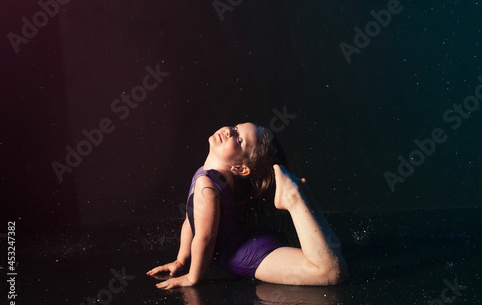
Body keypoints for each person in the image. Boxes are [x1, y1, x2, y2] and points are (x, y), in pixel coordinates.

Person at [147, 123, 347, 289]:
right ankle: (304, 196)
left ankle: (294, 199)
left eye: (239, 139)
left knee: (330, 271)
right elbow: (191, 221)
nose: (229, 131)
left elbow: (205, 237)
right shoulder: (209, 176)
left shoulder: (206, 185)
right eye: (235, 127)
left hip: (248, 256)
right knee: (332, 249)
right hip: (253, 239)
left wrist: (192, 277)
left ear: (241, 168)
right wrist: (181, 260)